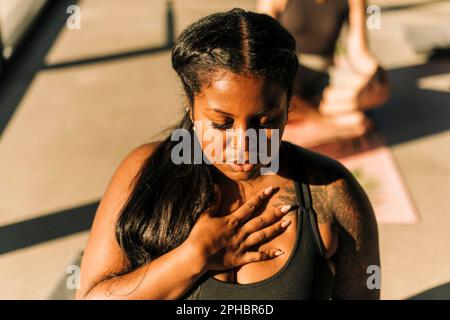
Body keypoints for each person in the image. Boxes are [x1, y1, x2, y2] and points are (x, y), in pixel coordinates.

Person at [75, 8, 380, 300]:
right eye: (222, 124)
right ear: (190, 105)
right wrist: (196, 255)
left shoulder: (331, 192)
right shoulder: (145, 170)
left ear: (289, 108)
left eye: (266, 123)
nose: (244, 146)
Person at [257, 0, 390, 146]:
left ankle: (303, 112)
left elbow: (358, 51)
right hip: (287, 71)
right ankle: (330, 122)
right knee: (270, 93)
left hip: (324, 74)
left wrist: (376, 73)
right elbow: (264, 48)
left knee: (375, 93)